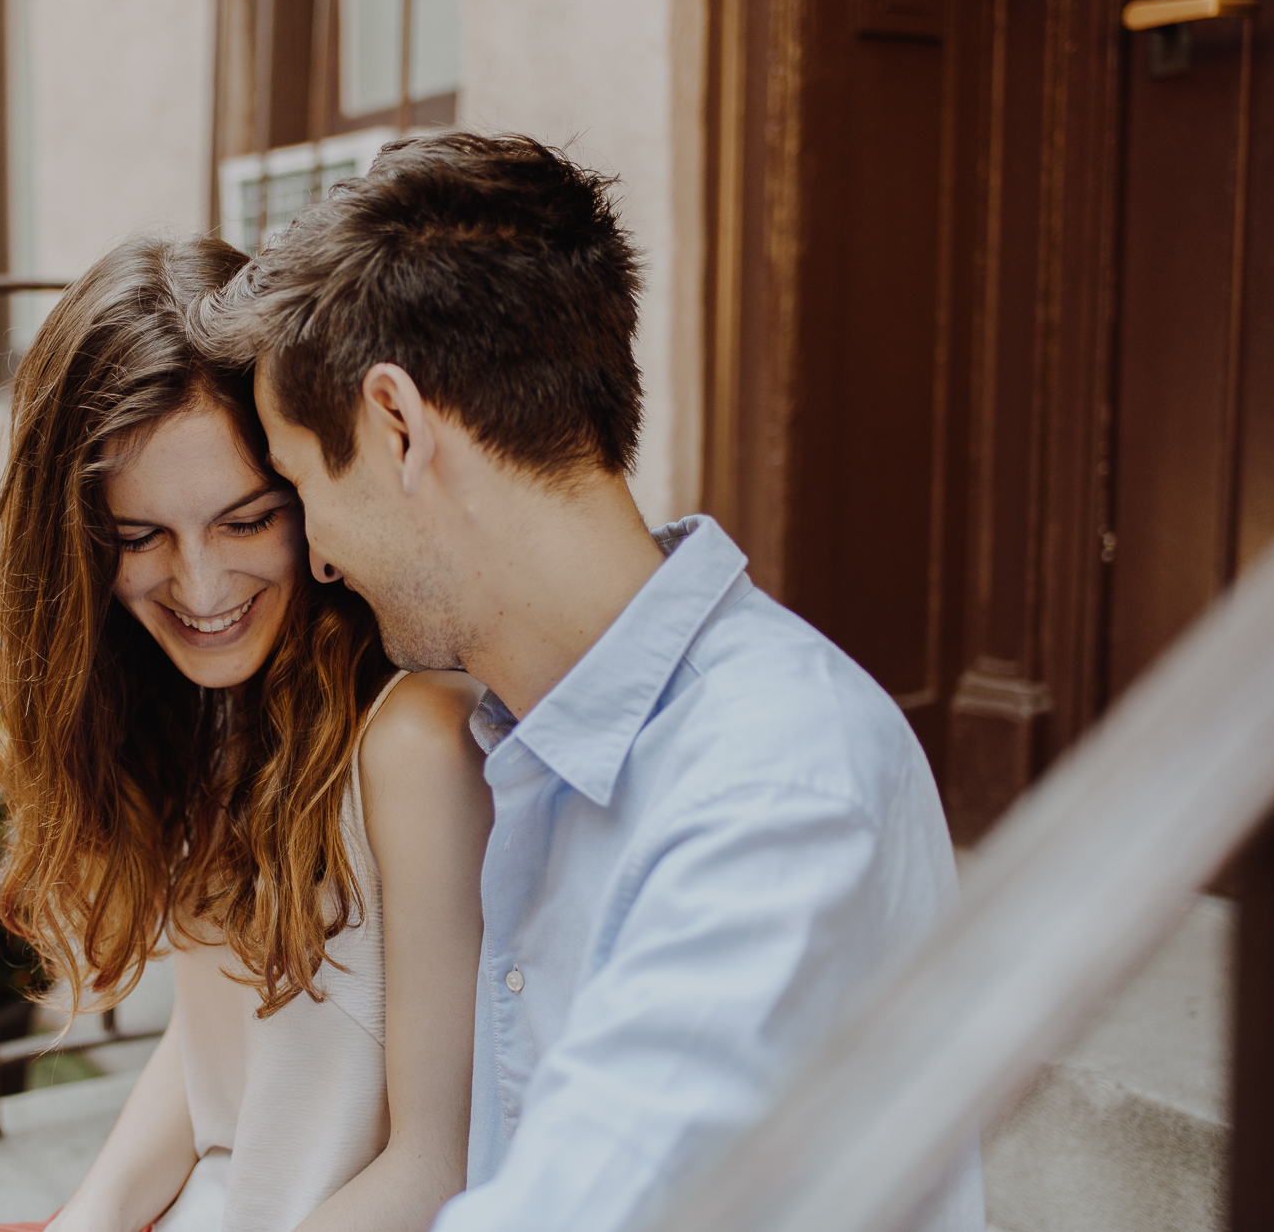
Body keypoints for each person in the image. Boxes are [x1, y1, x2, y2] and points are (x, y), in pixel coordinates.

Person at [195, 131, 986, 1232]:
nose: (319, 557)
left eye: (298, 483)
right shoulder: (523, 744)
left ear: (395, 425)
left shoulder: (771, 784)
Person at [0, 236, 493, 1232]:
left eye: (245, 521)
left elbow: (439, 1164)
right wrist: (93, 1213)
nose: (200, 588)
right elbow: (228, 1030)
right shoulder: (214, 712)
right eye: (138, 537)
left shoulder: (410, 741)